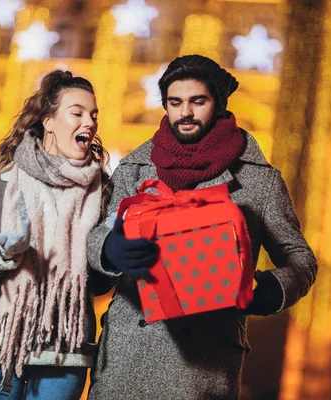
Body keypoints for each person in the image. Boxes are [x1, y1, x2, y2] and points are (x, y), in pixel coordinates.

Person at [86, 55, 318, 399]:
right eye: (175, 102)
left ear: (219, 104)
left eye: (198, 101)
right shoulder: (133, 168)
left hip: (205, 362)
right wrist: (108, 248)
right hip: (126, 356)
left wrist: (266, 290)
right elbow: (97, 233)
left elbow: (301, 258)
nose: (186, 113)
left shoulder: (260, 180)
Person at [0, 70, 112, 399]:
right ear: (48, 120)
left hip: (65, 351)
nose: (90, 122)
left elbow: (99, 285)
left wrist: (111, 252)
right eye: (78, 113)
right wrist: (3, 253)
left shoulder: (100, 191)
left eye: (93, 115)